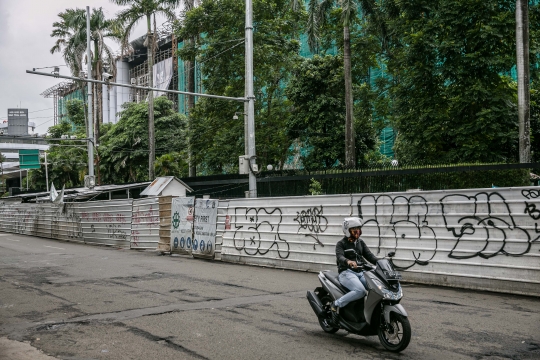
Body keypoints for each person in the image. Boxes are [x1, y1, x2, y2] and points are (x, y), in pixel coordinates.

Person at [331, 217, 379, 314]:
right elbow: (340, 257)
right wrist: (348, 261)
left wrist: (382, 262)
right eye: (354, 229)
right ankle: (336, 304)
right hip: (346, 273)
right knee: (360, 291)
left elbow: (370, 256)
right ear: (347, 231)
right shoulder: (341, 244)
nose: (357, 231)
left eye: (358, 228)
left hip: (361, 272)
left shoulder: (360, 242)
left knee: (376, 288)